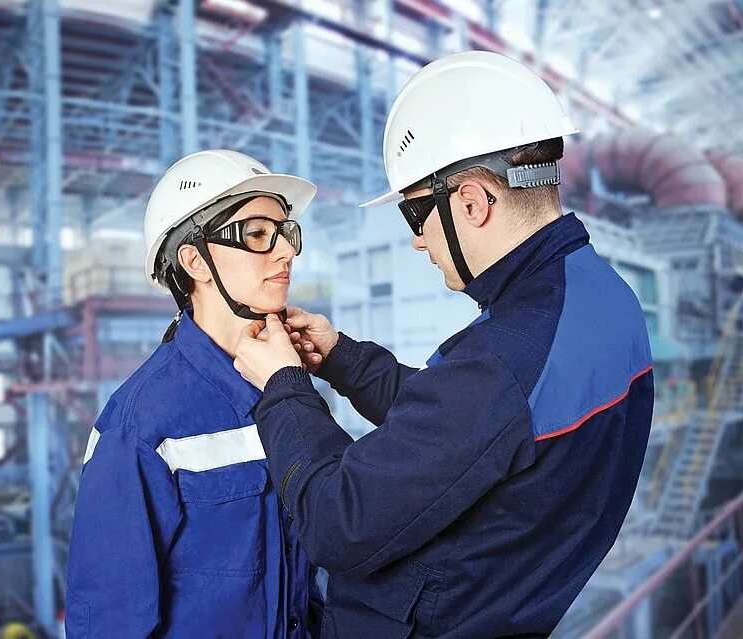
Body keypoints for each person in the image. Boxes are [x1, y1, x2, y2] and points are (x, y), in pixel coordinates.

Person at [233, 51, 654, 638]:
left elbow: (338, 522)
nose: (416, 242)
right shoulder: (602, 300)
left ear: (471, 203)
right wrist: (343, 360)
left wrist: (284, 389)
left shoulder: (502, 360)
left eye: (415, 215)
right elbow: (466, 433)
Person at [65, 149, 324, 638]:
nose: (286, 251)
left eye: (285, 232)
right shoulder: (141, 424)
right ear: (195, 261)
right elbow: (109, 621)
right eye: (256, 234)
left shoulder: (287, 385)